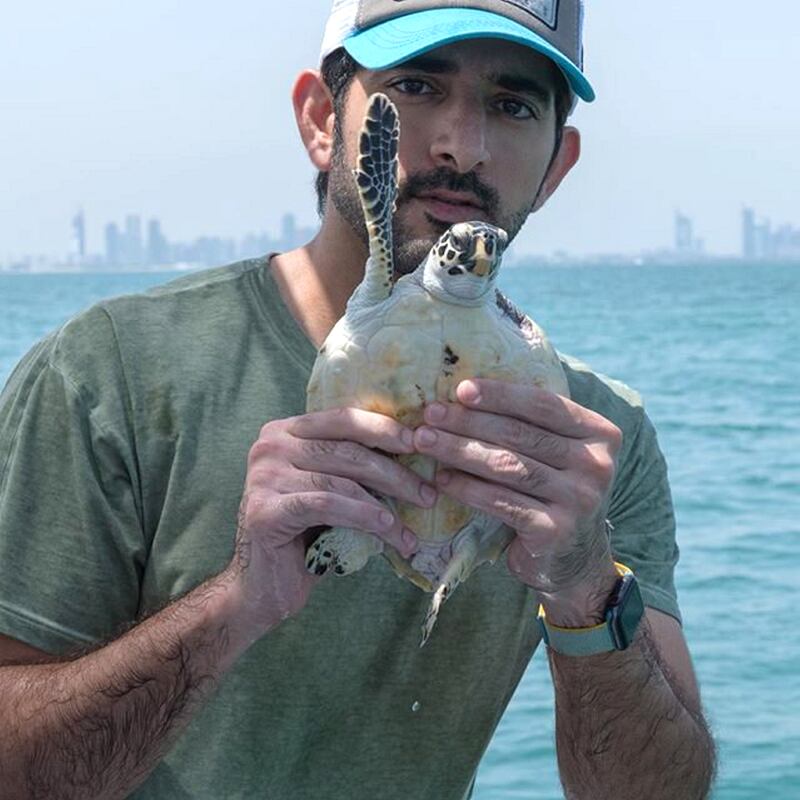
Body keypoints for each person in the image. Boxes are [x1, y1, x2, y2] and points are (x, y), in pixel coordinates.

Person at [0, 1, 716, 797]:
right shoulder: (110, 374)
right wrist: (237, 604)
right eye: (413, 85)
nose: (462, 145)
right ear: (319, 120)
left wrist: (586, 586)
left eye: (513, 105)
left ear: (556, 165)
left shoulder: (594, 441)